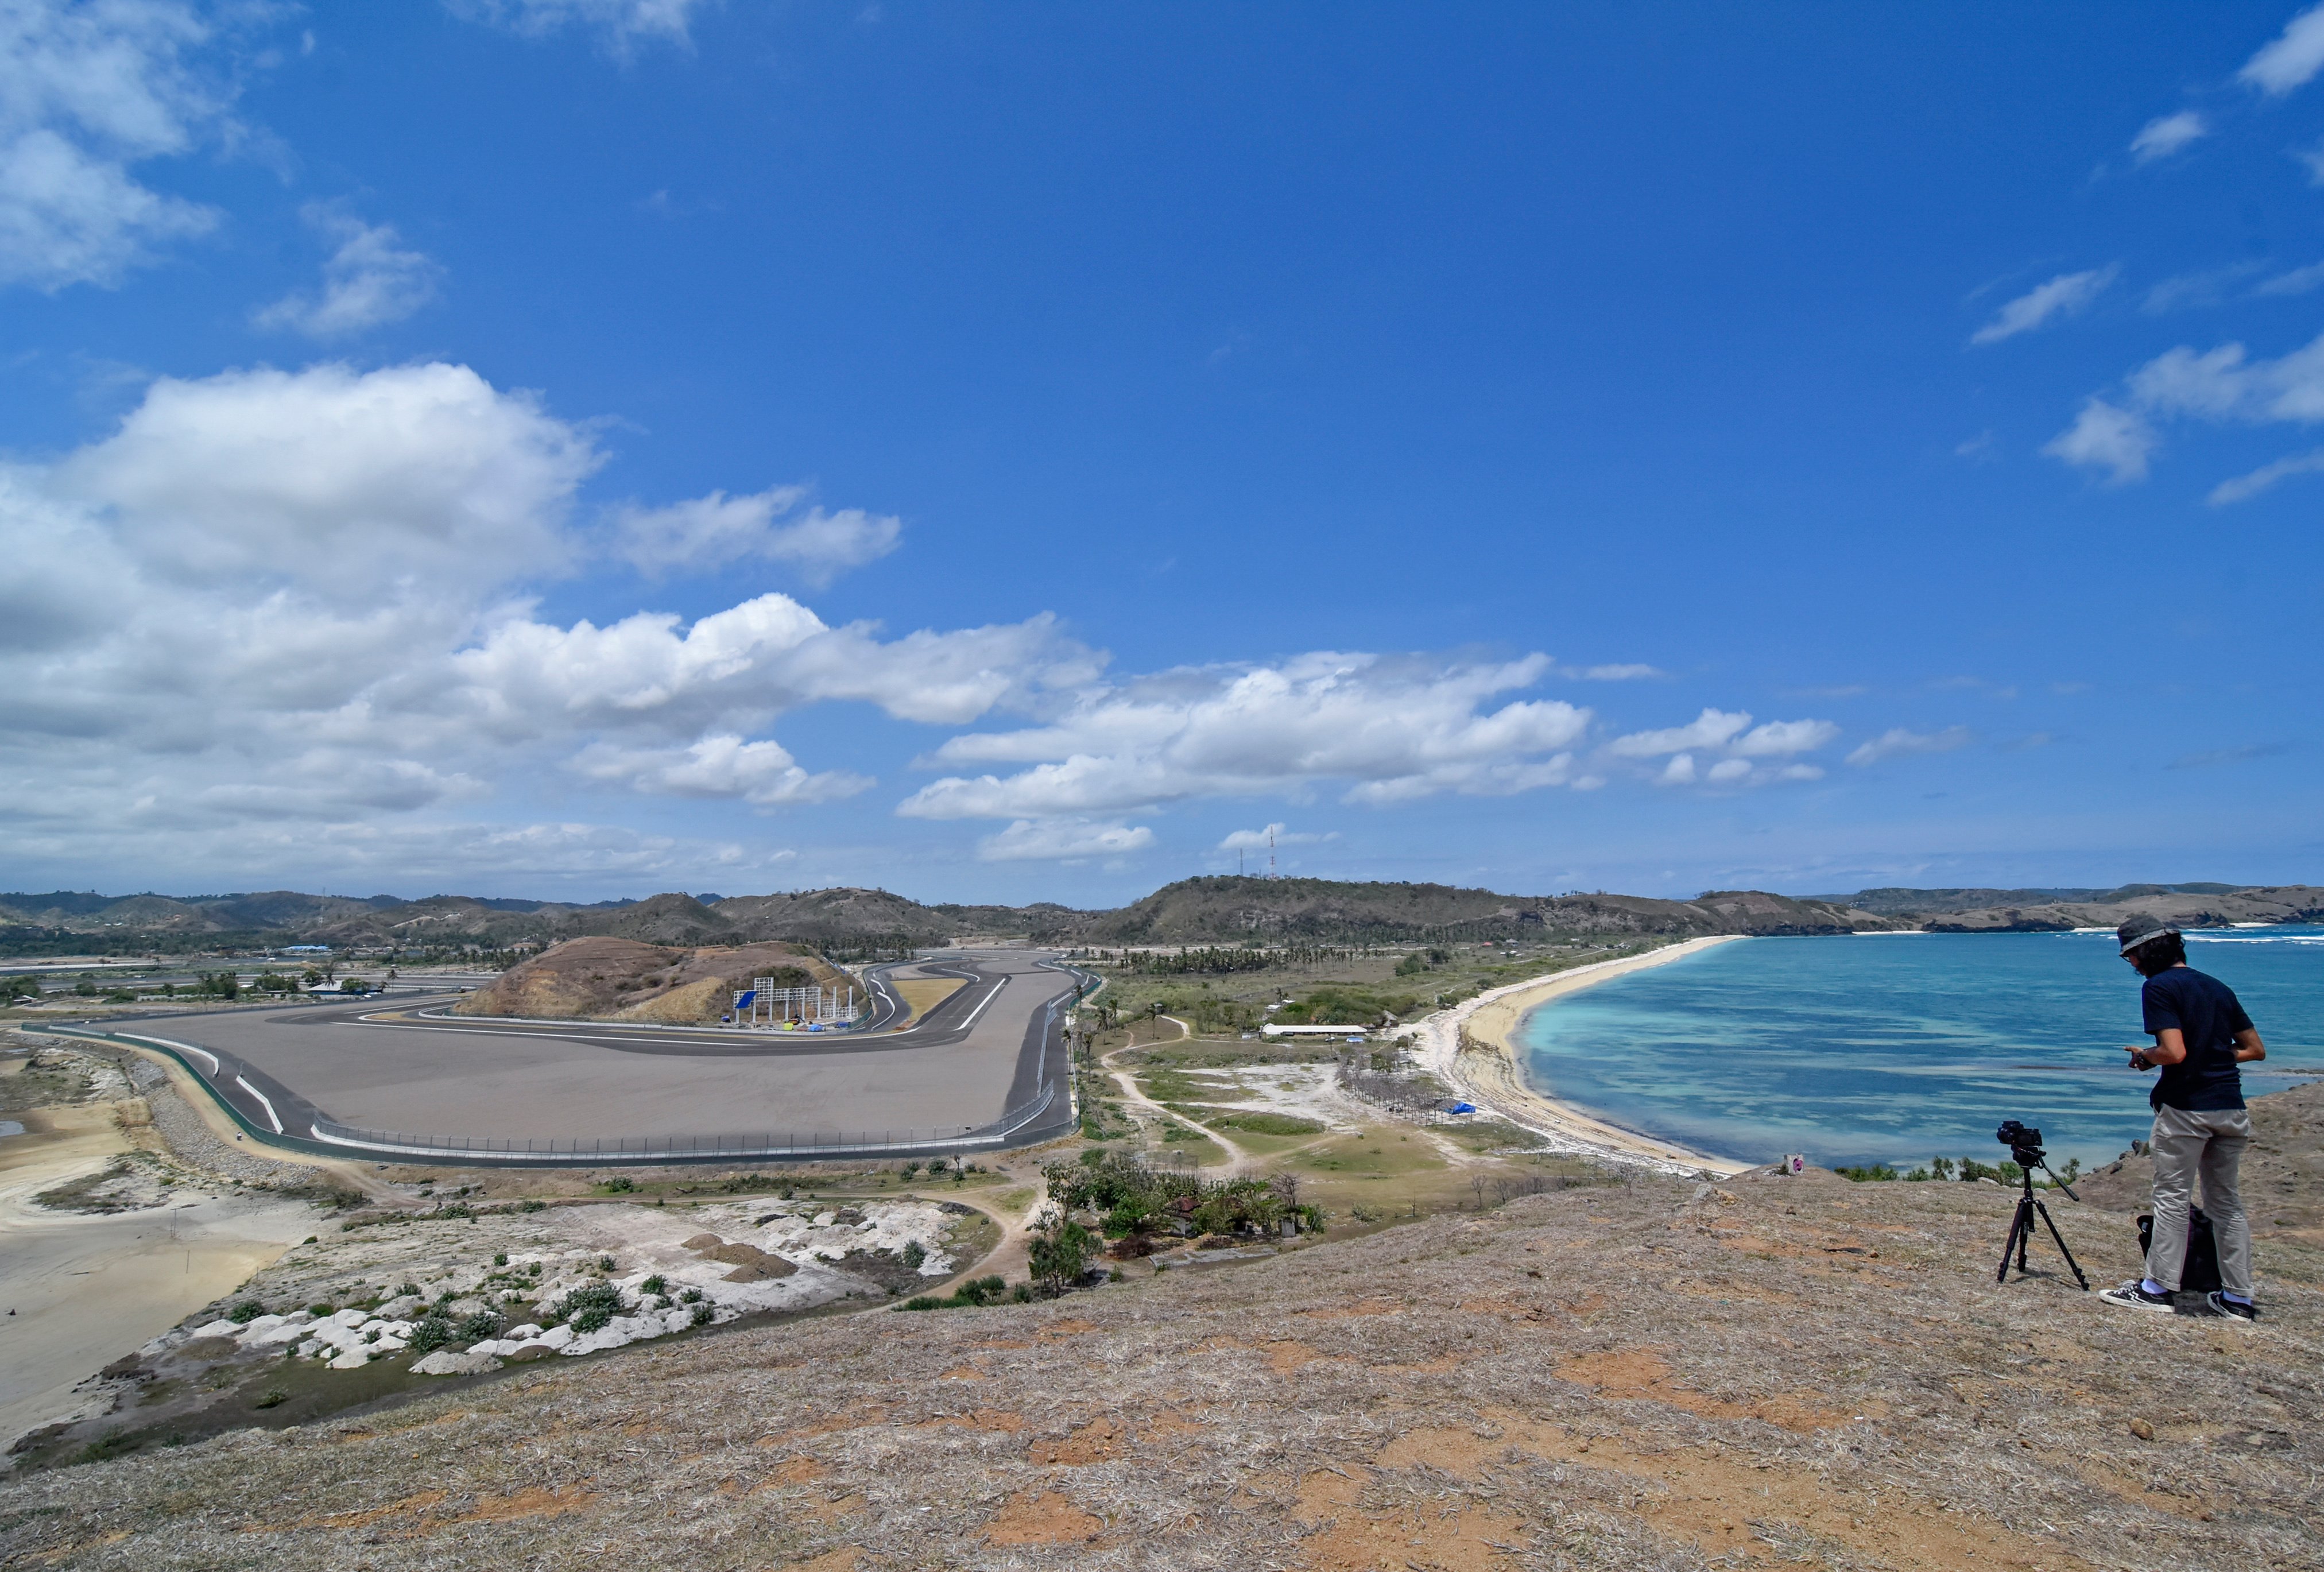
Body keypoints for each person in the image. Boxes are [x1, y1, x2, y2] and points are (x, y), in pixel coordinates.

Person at [2098, 915, 2264, 1322]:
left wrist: (2145, 1057)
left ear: (2146, 953)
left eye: (2132, 957)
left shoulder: (2159, 988)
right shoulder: (2217, 987)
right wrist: (2212, 1057)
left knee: (2172, 1198)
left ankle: (2156, 1288)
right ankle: (2238, 1297)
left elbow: (2173, 1052)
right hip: (2231, 1106)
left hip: (2188, 1108)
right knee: (2226, 1203)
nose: (2133, 966)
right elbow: (2254, 1049)